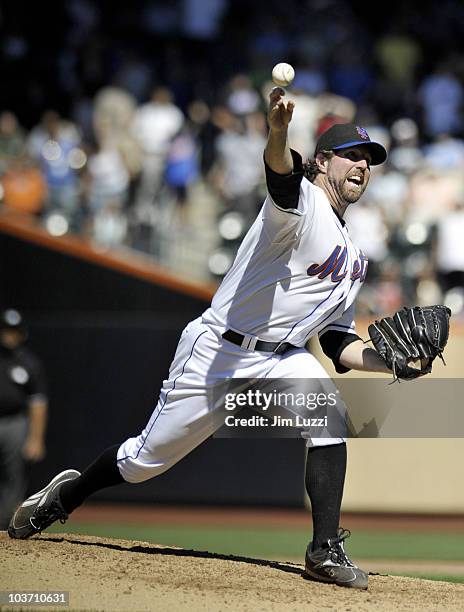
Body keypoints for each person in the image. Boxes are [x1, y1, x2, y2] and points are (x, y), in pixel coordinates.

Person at [9, 88, 392, 590]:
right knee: (142, 463)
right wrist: (277, 132)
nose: (362, 166)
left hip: (281, 358)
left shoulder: (353, 255)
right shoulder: (302, 203)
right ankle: (66, 497)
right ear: (321, 162)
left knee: (328, 417)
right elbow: (279, 173)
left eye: (369, 160)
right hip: (221, 351)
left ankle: (323, 550)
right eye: (351, 156)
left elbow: (338, 342)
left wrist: (388, 362)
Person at [0, 309, 48, 530]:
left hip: (14, 423)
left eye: (14, 331)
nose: (9, 335)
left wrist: (36, 438)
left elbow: (38, 403)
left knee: (14, 479)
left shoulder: (28, 363)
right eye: (6, 330)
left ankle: (4, 528)